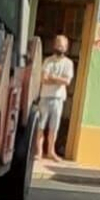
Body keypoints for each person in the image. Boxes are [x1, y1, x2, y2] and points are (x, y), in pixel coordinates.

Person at [38, 34, 74, 162]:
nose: (60, 47)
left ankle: (50, 152)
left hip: (59, 99)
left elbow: (67, 81)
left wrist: (52, 78)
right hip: (45, 97)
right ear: (54, 45)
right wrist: (58, 80)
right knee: (41, 126)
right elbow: (43, 79)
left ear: (66, 47)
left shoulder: (69, 64)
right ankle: (39, 152)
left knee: (54, 127)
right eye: (58, 44)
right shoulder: (48, 61)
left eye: (62, 45)